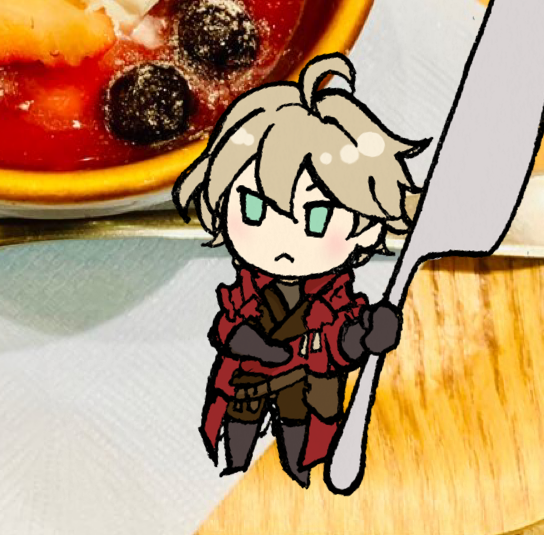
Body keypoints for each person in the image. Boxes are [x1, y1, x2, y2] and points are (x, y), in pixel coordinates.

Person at [173, 53, 427, 487]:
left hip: (307, 401)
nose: (283, 239)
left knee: (299, 450)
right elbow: (228, 324)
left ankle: (298, 470)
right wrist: (249, 342)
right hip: (242, 395)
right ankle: (230, 463)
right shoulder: (248, 287)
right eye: (254, 209)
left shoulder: (336, 297)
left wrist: (366, 336)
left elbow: (340, 341)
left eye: (317, 218)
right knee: (233, 447)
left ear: (368, 229)